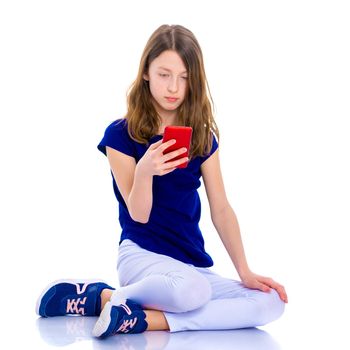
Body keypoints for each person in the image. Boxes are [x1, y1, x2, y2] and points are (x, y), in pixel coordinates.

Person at [36, 24, 288, 339]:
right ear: (146, 73)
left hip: (190, 267)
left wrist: (245, 272)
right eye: (164, 75)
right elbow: (138, 215)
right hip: (141, 256)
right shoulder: (120, 135)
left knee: (269, 303)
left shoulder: (203, 138)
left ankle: (139, 319)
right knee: (192, 293)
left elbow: (221, 209)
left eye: (184, 78)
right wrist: (145, 171)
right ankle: (101, 295)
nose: (173, 88)